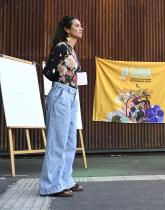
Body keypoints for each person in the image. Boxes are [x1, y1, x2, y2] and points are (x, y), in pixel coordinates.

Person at [39, 16, 84, 197]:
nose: (81, 28)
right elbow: (48, 71)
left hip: (72, 95)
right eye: (77, 25)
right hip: (61, 93)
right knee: (58, 141)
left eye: (81, 26)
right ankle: (50, 185)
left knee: (69, 142)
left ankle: (65, 180)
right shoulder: (61, 47)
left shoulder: (72, 50)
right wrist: (61, 73)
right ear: (67, 29)